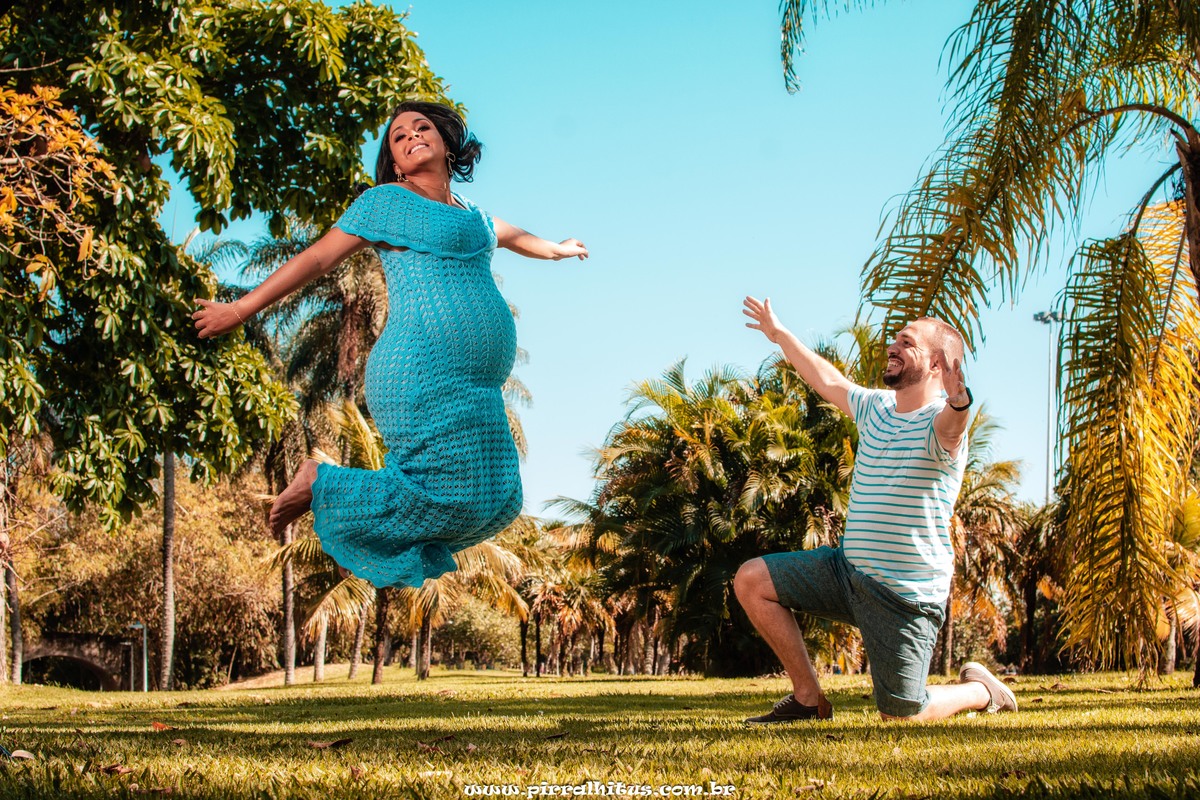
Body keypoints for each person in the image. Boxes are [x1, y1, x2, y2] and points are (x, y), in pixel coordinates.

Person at [193, 102, 587, 588]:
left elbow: (521, 238)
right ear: (396, 163)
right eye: (398, 137)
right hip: (420, 370)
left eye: (422, 127)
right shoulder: (386, 203)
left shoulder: (476, 218)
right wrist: (238, 310)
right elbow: (317, 259)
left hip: (480, 386)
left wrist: (560, 249)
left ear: (446, 142)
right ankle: (320, 481)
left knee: (498, 500)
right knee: (450, 492)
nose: (411, 136)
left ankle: (353, 514)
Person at [734, 296, 1017, 722]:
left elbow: (953, 426)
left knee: (901, 714)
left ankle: (979, 690)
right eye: (895, 339)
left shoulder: (939, 427)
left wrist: (960, 404)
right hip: (847, 572)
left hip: (904, 597)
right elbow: (826, 379)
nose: (893, 346)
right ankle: (809, 699)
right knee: (751, 579)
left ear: (939, 366)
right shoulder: (876, 408)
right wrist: (779, 335)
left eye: (908, 343)